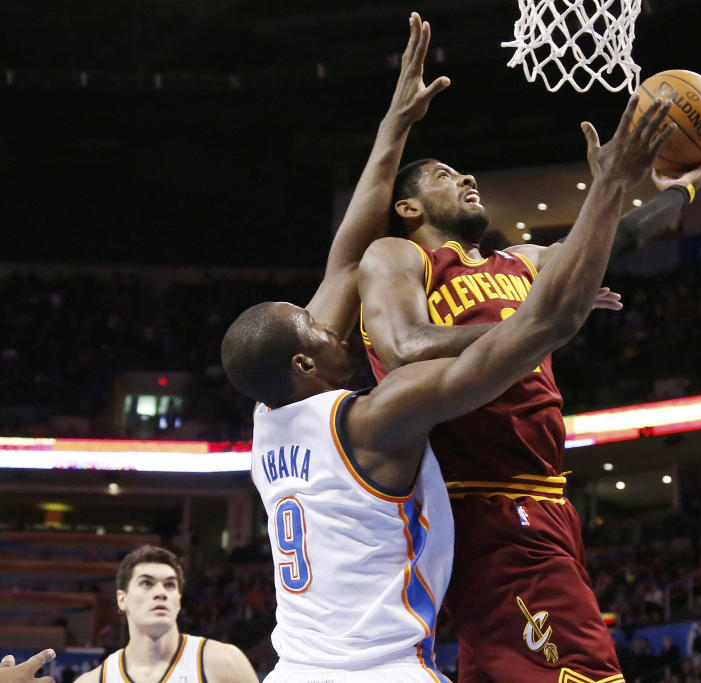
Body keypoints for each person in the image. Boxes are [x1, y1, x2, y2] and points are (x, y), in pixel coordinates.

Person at [220, 50, 676, 680]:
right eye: (316, 329)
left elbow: (342, 260)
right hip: (404, 639)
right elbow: (536, 326)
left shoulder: (270, 415)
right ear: (304, 361)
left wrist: (394, 125)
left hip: (301, 665)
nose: (335, 326)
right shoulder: (373, 419)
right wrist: (605, 193)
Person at [357, 111, 701, 680]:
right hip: (481, 502)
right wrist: (540, 323)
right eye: (446, 175)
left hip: (546, 497)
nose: (466, 179)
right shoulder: (400, 255)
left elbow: (618, 235)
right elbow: (405, 345)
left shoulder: (522, 263)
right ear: (410, 208)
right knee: (586, 671)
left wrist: (684, 188)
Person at [74, 545, 258, 683]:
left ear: (178, 601)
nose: (160, 592)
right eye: (147, 583)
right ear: (122, 599)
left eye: (170, 585)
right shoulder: (94, 680)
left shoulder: (224, 662)